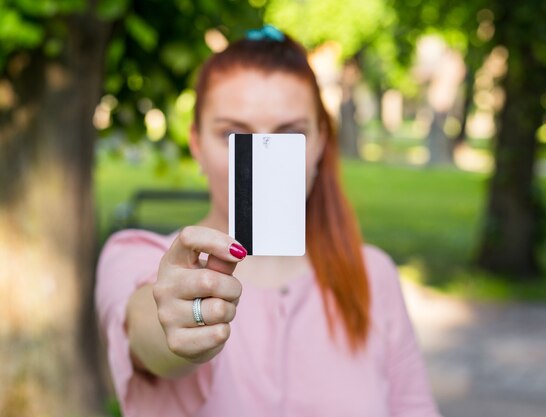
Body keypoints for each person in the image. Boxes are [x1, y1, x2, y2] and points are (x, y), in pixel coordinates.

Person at [96, 25, 441, 417]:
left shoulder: (372, 275)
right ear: (196, 144)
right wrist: (174, 321)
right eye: (233, 134)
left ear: (321, 143)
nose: (260, 162)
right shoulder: (136, 257)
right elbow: (144, 329)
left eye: (288, 134)